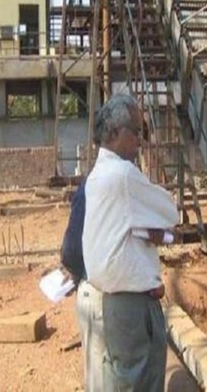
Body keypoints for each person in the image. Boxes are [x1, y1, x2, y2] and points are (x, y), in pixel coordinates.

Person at [82, 93, 179, 392]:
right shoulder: (124, 175)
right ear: (114, 133)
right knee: (141, 382)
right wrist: (158, 228)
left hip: (109, 303)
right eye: (136, 131)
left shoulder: (97, 175)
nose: (140, 139)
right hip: (132, 308)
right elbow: (169, 211)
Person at [61, 167, 104, 391]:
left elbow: (72, 250)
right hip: (127, 295)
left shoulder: (90, 187)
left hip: (94, 290)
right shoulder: (131, 183)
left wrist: (74, 272)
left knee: (98, 371)